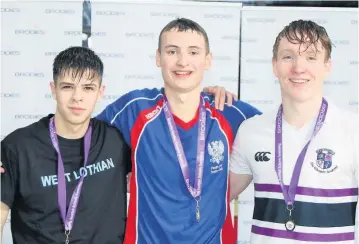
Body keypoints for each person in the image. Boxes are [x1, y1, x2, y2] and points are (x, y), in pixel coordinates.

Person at [96, 18, 261, 244]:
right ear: (158, 58)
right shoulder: (135, 109)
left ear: (207, 60)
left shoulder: (229, 112)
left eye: (193, 52)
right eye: (172, 51)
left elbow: (278, 134)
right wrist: (117, 176)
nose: (183, 62)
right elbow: (79, 141)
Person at [230, 19, 358, 244]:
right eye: (288, 56)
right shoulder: (251, 131)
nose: (299, 67)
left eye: (311, 57)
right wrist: (202, 99)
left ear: (327, 66)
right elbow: (214, 200)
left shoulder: (353, 130)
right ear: (274, 65)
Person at [0, 47, 132, 244]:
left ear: (100, 92)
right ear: (53, 89)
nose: (77, 97)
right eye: (68, 87)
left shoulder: (116, 141)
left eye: (88, 88)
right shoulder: (18, 147)